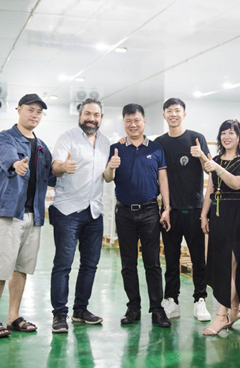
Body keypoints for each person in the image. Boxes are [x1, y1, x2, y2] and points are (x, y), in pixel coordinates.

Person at [0, 94, 54, 339]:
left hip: (34, 214)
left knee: (21, 268)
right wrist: (16, 164)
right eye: (30, 110)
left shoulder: (42, 146)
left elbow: (50, 175)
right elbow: (8, 157)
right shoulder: (5, 137)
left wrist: (62, 169)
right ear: (19, 110)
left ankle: (13, 316)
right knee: (0, 268)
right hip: (8, 213)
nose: (35, 115)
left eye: (39, 112)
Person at [104, 104, 173, 328]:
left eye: (137, 120)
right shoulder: (116, 148)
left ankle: (157, 309)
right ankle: (133, 307)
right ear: (123, 122)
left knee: (153, 263)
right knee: (128, 263)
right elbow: (107, 178)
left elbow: (163, 180)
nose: (133, 125)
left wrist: (167, 208)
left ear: (144, 122)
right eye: (128, 121)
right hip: (124, 212)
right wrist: (111, 167)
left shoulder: (156, 148)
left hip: (150, 211)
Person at [49, 98, 110, 333]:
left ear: (101, 118)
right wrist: (62, 167)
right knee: (63, 264)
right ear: (80, 115)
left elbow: (106, 175)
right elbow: (56, 165)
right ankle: (59, 314)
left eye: (96, 115)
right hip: (68, 211)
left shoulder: (105, 142)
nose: (91, 119)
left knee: (90, 265)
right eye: (87, 114)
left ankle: (80, 310)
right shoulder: (67, 138)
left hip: (94, 211)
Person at [153, 98, 212, 322]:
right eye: (169, 111)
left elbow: (210, 170)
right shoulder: (159, 143)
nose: (173, 114)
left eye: (177, 110)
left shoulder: (196, 138)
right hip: (170, 210)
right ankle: (172, 301)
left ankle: (200, 299)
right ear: (164, 115)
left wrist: (201, 155)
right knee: (171, 258)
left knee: (198, 258)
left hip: (194, 209)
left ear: (184, 114)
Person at [200, 119, 240, 336]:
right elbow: (211, 190)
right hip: (218, 215)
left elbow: (237, 183)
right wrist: (204, 215)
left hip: (237, 216)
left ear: (239, 136)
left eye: (231, 133)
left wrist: (217, 168)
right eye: (223, 133)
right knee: (219, 265)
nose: (226, 137)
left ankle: (221, 315)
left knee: (231, 265)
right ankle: (235, 310)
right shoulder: (216, 160)